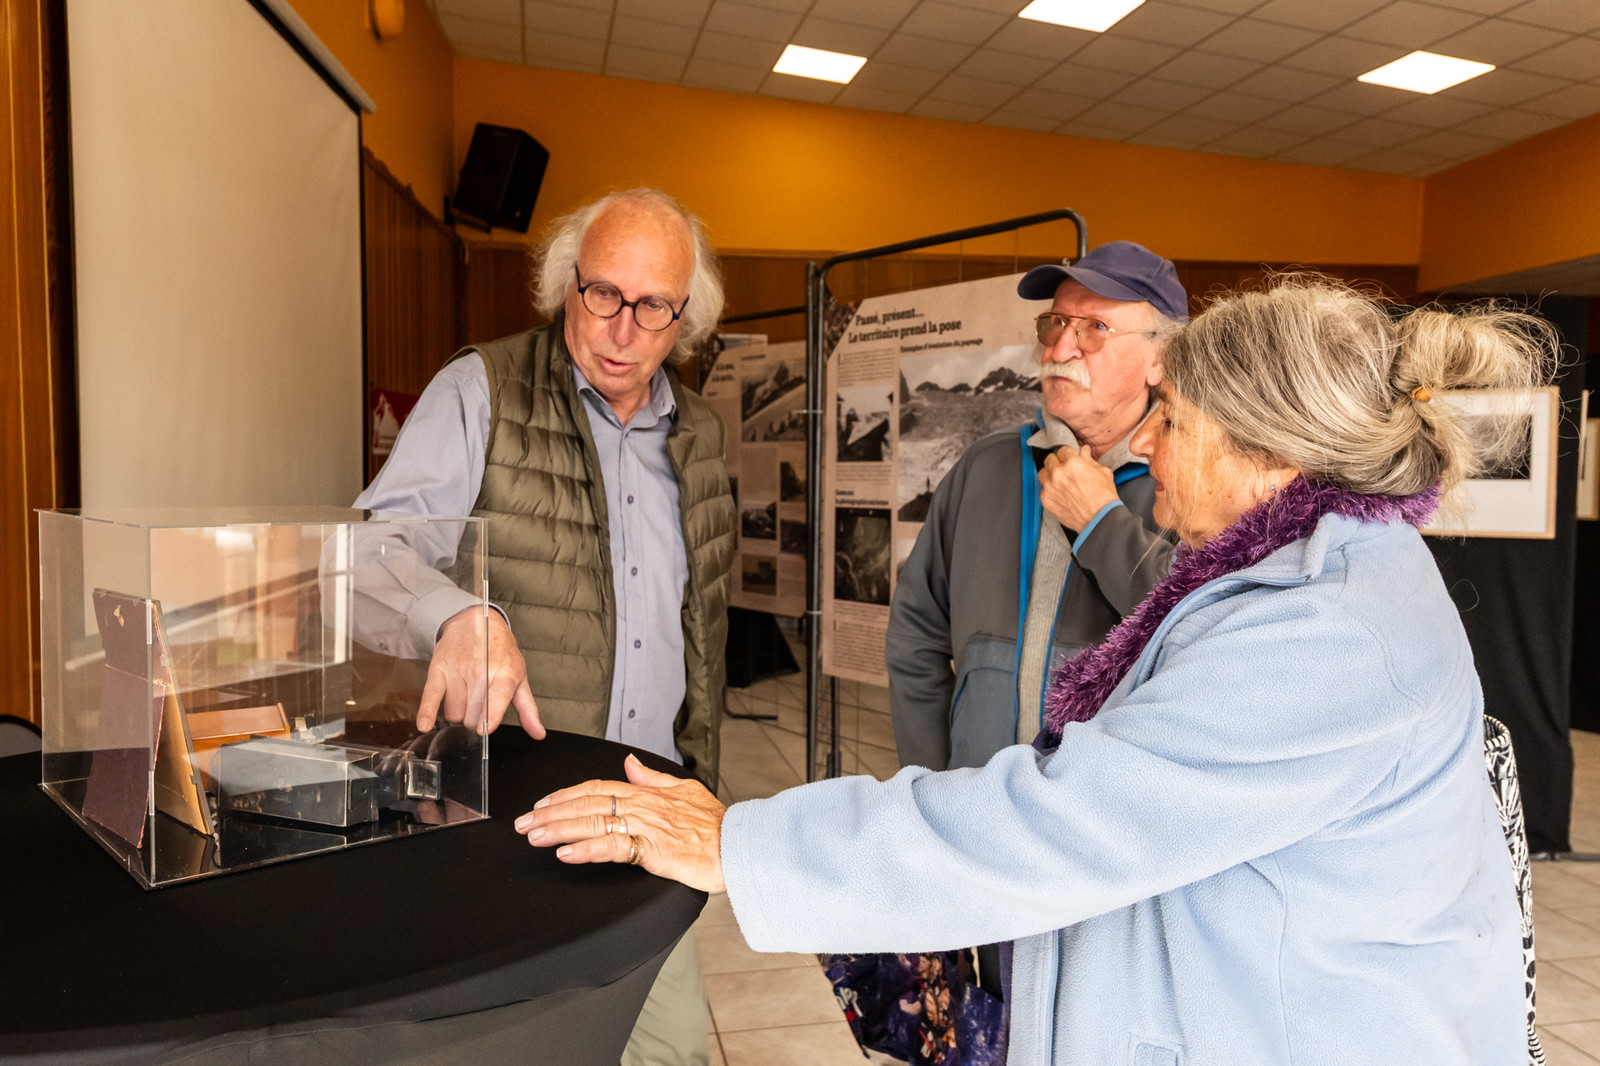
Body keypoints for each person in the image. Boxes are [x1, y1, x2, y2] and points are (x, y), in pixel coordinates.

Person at [516, 274, 1552, 1065]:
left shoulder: (1326, 632)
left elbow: (1068, 820)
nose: (1155, 468)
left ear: (1267, 456)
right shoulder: (1315, 578)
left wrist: (738, 841)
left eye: (1177, 427)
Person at [353, 187, 734, 1066]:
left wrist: (704, 779)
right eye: (602, 294)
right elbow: (373, 558)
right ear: (568, 284)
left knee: (667, 1050)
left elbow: (700, 631)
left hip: (652, 807)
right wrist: (460, 613)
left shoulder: (703, 435)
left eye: (653, 307)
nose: (621, 329)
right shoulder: (480, 387)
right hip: (516, 816)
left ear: (685, 319)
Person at [887, 241, 1185, 776]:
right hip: (970, 802)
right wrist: (929, 782)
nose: (1059, 348)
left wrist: (1102, 524)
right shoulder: (985, 465)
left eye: (1094, 328)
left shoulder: (1195, 482)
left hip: (1100, 825)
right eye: (1055, 324)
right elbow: (915, 634)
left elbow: (1200, 629)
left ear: (1159, 358)